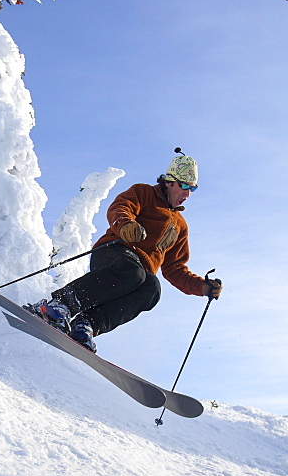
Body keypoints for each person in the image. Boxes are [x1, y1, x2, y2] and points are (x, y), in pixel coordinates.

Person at [27, 148, 222, 353]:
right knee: (133, 272)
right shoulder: (144, 193)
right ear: (168, 182)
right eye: (183, 185)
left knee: (152, 289)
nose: (187, 193)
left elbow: (174, 268)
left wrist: (202, 287)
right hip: (113, 254)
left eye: (193, 189)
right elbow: (120, 207)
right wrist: (126, 225)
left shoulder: (180, 226)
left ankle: (86, 325)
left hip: (135, 274)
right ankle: (60, 306)